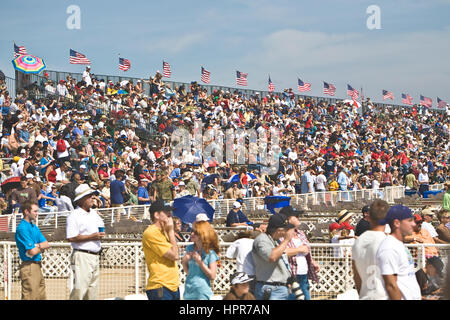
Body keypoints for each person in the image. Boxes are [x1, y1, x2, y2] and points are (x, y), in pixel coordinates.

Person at [66, 184, 106, 300]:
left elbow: (100, 229)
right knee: (80, 289)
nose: (92, 198)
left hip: (94, 254)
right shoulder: (74, 216)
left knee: (92, 290)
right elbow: (71, 237)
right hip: (82, 255)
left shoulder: (94, 214)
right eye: (89, 196)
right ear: (81, 199)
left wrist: (97, 235)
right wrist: (91, 237)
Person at [376, 204, 421, 300]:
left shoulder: (398, 244)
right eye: (409, 220)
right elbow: (391, 285)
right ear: (397, 223)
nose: (413, 224)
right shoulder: (389, 248)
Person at [142, 200, 180, 300]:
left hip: (173, 285)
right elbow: (175, 255)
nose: (170, 215)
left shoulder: (165, 231)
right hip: (160, 286)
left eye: (170, 212)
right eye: (166, 212)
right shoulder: (151, 232)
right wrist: (171, 232)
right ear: (157, 215)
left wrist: (169, 231)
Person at [352, 199, 390, 300]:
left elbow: (356, 277)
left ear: (369, 216)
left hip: (366, 296)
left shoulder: (358, 242)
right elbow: (392, 281)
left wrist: (361, 295)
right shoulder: (388, 242)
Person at [252, 213, 296, 300]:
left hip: (281, 288)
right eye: (287, 229)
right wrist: (287, 240)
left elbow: (282, 253)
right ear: (279, 230)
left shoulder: (276, 241)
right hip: (271, 288)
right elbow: (271, 256)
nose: (289, 232)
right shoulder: (262, 240)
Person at [281, 206, 319, 300]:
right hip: (290, 275)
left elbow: (305, 251)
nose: (299, 217)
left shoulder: (300, 233)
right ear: (288, 219)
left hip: (303, 272)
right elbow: (281, 252)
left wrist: (312, 261)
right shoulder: (282, 234)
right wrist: (299, 250)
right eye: (296, 215)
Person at [15, 201, 50, 300]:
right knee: (31, 297)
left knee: (41, 296)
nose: (37, 213)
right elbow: (32, 251)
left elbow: (46, 244)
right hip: (29, 266)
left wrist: (37, 246)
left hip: (37, 265)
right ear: (26, 211)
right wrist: (40, 247)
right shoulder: (22, 228)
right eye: (35, 211)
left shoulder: (34, 227)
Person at [181, 219, 219, 300]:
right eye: (191, 231)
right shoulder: (189, 248)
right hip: (189, 289)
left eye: (195, 232)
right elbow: (189, 272)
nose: (192, 234)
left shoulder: (210, 253)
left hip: (202, 291)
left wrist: (200, 262)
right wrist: (184, 261)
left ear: (202, 234)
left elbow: (212, 276)